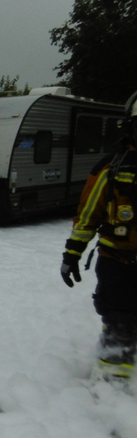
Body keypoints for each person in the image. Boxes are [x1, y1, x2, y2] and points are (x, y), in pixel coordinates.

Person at [61, 91, 137, 379]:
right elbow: (87, 216)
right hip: (117, 263)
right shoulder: (111, 168)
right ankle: (113, 385)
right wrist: (72, 254)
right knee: (119, 322)